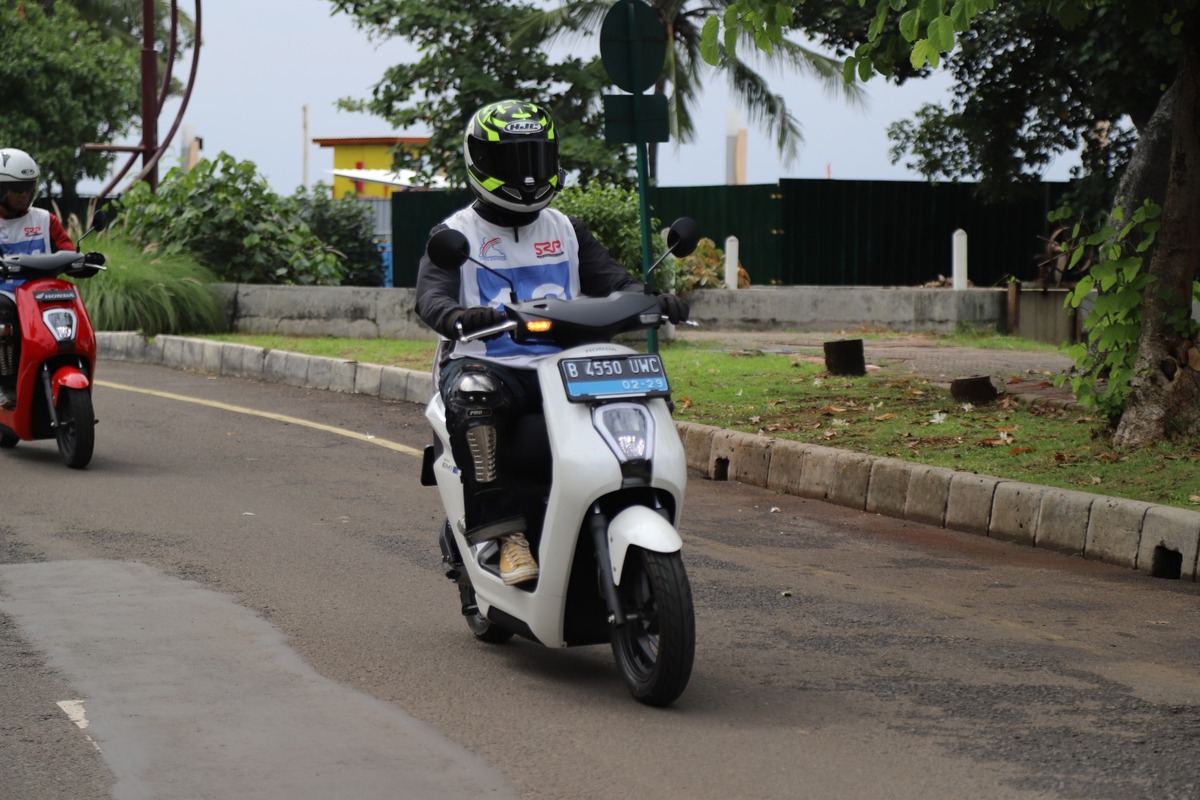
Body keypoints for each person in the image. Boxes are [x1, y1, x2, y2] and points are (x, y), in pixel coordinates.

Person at [415, 100, 689, 586]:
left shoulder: (565, 229)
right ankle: (505, 537)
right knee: (473, 395)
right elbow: (431, 298)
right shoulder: (455, 235)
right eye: (512, 161)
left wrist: (652, 300)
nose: (526, 175)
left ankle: (626, 503)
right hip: (490, 366)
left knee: (640, 387)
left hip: (564, 368)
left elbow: (616, 281)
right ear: (480, 161)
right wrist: (458, 315)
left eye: (535, 159)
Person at [0, 148, 75, 409]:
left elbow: (68, 250)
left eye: (28, 187)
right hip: (6, 295)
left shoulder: (46, 220)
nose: (24, 194)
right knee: (3, 311)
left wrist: (82, 261)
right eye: (17, 188)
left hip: (42, 294)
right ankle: (6, 384)